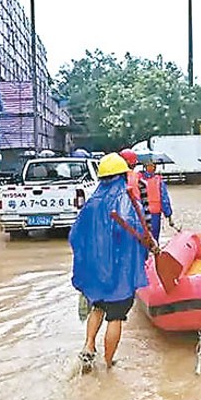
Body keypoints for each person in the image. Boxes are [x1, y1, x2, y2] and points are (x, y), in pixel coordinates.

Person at [69, 153, 149, 373]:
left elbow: (75, 236)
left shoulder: (91, 203)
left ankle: (88, 345)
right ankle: (108, 363)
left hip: (96, 272)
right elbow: (139, 233)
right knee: (115, 317)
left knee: (98, 307)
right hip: (119, 273)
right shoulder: (127, 200)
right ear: (123, 174)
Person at [139, 159, 174, 241]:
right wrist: (168, 215)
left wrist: (168, 214)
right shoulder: (157, 180)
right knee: (152, 237)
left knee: (145, 237)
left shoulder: (139, 179)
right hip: (147, 213)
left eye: (152, 166)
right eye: (150, 166)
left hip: (147, 213)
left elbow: (164, 198)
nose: (151, 168)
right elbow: (164, 198)